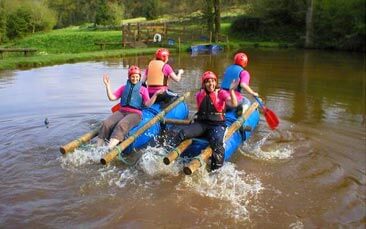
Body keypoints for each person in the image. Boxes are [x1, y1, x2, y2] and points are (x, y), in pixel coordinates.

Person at [167, 71, 238, 171]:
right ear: (204, 84)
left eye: (213, 81)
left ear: (216, 82)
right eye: (207, 82)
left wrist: (231, 90)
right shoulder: (199, 95)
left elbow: (234, 104)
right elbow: (200, 110)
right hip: (202, 123)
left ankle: (215, 171)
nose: (211, 84)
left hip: (217, 125)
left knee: (217, 143)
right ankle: (170, 158)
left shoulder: (221, 93)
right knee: (182, 133)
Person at [97, 65, 163, 149]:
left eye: (137, 77)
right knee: (106, 123)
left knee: (121, 125)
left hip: (135, 114)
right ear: (129, 77)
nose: (135, 78)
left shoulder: (143, 89)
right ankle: (98, 148)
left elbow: (147, 104)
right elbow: (112, 98)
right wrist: (107, 86)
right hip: (121, 112)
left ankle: (108, 149)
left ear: (139, 78)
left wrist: (156, 94)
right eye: (132, 76)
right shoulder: (123, 88)